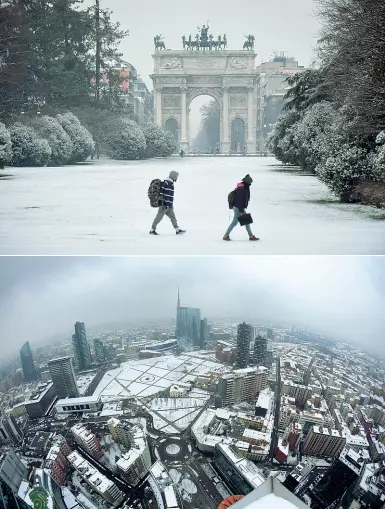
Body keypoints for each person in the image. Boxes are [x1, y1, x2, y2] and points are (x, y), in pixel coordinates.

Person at [223, 174, 259, 241]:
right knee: (235, 222)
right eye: (250, 182)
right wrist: (241, 210)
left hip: (239, 207)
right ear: (247, 182)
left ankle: (251, 236)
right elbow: (239, 200)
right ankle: (225, 236)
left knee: (246, 221)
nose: (251, 184)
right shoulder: (241, 189)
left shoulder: (244, 187)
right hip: (238, 207)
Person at [150, 171, 186, 236]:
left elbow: (169, 195)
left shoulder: (170, 183)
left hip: (169, 205)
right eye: (176, 176)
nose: (177, 178)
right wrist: (165, 203)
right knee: (159, 217)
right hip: (164, 205)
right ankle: (152, 230)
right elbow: (163, 194)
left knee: (173, 217)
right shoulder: (167, 183)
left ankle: (177, 230)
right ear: (173, 176)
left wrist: (170, 204)